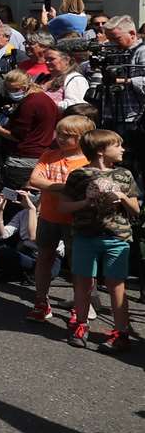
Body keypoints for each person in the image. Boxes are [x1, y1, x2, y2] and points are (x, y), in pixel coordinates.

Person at [60, 129, 138, 353]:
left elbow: (135, 210)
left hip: (117, 239)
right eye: (118, 145)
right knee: (83, 285)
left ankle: (121, 333)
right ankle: (80, 324)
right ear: (102, 151)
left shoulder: (124, 175)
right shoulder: (79, 175)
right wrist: (86, 201)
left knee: (117, 287)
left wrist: (122, 197)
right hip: (86, 237)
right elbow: (63, 206)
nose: (123, 149)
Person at [25, 114, 93, 325]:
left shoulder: (88, 163)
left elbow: (85, 191)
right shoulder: (49, 155)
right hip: (49, 216)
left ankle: (81, 307)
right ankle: (41, 301)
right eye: (59, 133)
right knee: (44, 257)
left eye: (68, 135)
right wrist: (65, 189)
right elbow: (34, 180)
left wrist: (50, 187)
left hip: (77, 220)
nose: (61, 138)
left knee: (79, 267)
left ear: (83, 138)